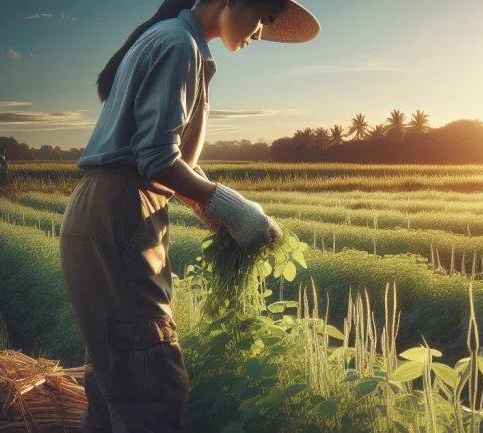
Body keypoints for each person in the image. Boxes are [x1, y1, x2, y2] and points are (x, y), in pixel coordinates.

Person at [58, 0, 319, 431]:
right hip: (121, 208)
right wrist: (233, 207)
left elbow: (155, 152)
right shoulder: (179, 44)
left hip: (100, 208)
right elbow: (155, 158)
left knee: (114, 378)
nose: (259, 32)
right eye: (263, 17)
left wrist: (207, 206)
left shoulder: (170, 40)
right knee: (150, 378)